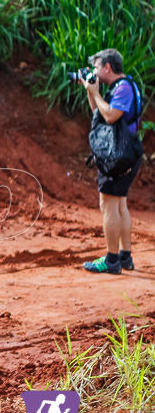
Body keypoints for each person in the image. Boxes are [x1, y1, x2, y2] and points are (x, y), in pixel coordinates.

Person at [81, 48, 143, 274]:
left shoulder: (124, 87)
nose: (96, 71)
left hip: (120, 154)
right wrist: (91, 91)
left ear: (108, 67)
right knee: (119, 203)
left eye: (97, 67)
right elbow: (98, 111)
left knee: (108, 203)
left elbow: (110, 116)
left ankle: (112, 259)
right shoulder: (121, 87)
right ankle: (125, 257)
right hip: (125, 152)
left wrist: (96, 92)